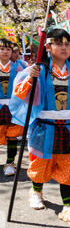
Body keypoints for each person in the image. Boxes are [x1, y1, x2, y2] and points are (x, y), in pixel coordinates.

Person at [9, 28, 70, 226]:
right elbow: (20, 95)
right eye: (58, 43)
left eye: (67, 44)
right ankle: (36, 191)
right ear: (48, 46)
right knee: (40, 163)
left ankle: (68, 208)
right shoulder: (39, 69)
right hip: (43, 126)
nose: (64, 47)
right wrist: (30, 77)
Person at [0, 38, 25, 176]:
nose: (5, 52)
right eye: (2, 49)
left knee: (12, 136)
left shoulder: (18, 68)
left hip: (13, 107)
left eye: (8, 49)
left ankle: (10, 162)